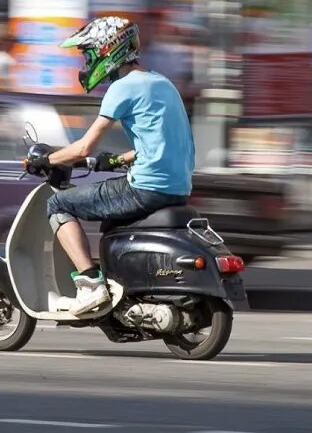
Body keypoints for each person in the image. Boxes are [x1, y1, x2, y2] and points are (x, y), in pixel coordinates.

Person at [25, 16, 196, 315]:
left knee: (58, 204)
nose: (86, 62)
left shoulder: (123, 87)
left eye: (88, 53)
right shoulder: (162, 82)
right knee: (111, 225)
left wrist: (45, 160)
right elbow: (157, 143)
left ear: (107, 51)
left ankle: (90, 287)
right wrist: (117, 159)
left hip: (145, 188)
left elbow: (83, 146)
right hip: (178, 187)